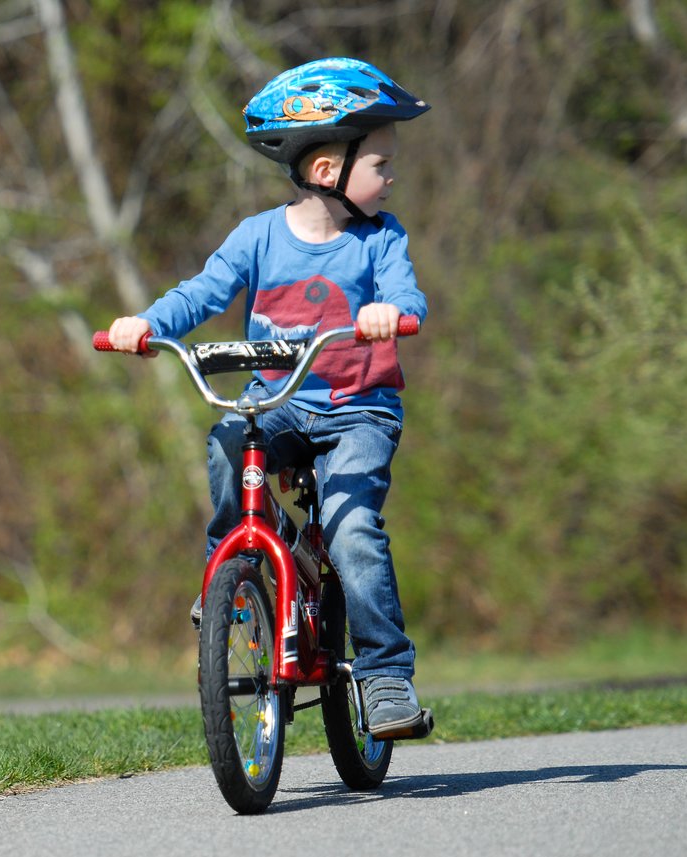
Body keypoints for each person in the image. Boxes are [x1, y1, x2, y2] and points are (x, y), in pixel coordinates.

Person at [106, 57, 430, 739]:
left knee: (353, 532)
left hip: (357, 410)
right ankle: (234, 559)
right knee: (228, 443)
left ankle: (384, 674)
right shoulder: (256, 237)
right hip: (278, 400)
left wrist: (390, 313)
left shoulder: (381, 239)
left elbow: (406, 295)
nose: (391, 175)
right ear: (325, 171)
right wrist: (148, 323)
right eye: (380, 161)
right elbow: (202, 292)